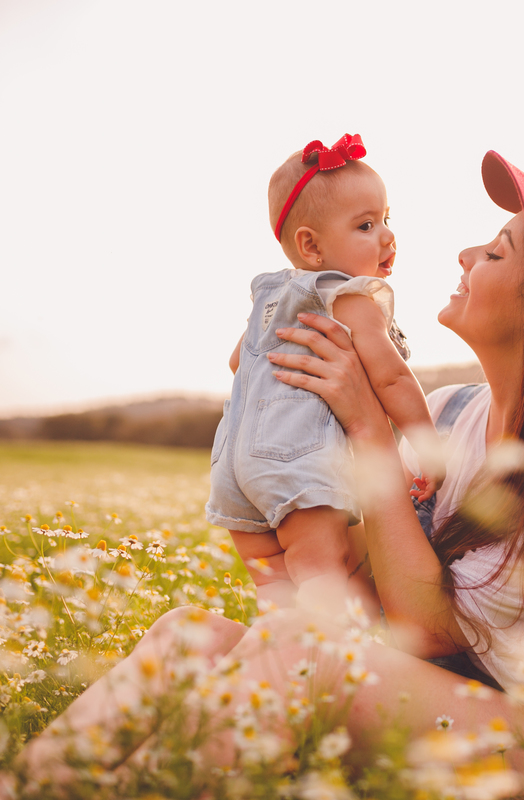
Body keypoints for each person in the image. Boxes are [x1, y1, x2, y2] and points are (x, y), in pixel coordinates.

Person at [0, 151, 524, 798]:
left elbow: (426, 628)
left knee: (309, 654)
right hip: (437, 699)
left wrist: (368, 428)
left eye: (496, 252)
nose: (465, 253)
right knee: (187, 637)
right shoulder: (450, 414)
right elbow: (370, 585)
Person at [206, 133, 444, 615]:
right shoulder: (348, 298)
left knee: (275, 587)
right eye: (366, 225)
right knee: (321, 571)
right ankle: (327, 649)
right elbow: (392, 379)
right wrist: (427, 443)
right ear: (311, 246)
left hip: (232, 463)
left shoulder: (271, 297)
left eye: (387, 219)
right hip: (295, 459)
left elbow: (237, 362)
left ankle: (281, 649)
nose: (387, 236)